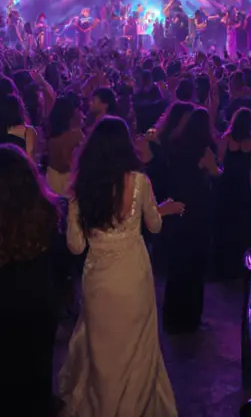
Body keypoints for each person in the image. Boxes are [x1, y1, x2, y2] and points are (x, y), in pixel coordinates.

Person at [58, 117, 182, 416]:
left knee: (102, 349)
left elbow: (76, 246)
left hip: (98, 278)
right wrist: (161, 210)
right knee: (136, 348)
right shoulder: (139, 181)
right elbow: (153, 227)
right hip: (132, 275)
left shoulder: (81, 188)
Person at [0, 146, 62, 417]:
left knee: (1, 373)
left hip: (1, 302)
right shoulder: (46, 210)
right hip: (39, 299)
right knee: (37, 369)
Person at [162, 107, 219, 334]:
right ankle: (190, 318)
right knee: (195, 266)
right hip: (198, 213)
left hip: (177, 209)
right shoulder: (204, 151)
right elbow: (216, 175)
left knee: (177, 264)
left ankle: (172, 315)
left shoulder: (175, 146)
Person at [214, 107, 251, 279]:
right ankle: (236, 269)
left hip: (226, 186)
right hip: (242, 188)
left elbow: (219, 161)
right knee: (240, 228)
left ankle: (221, 266)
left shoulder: (226, 138)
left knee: (224, 225)